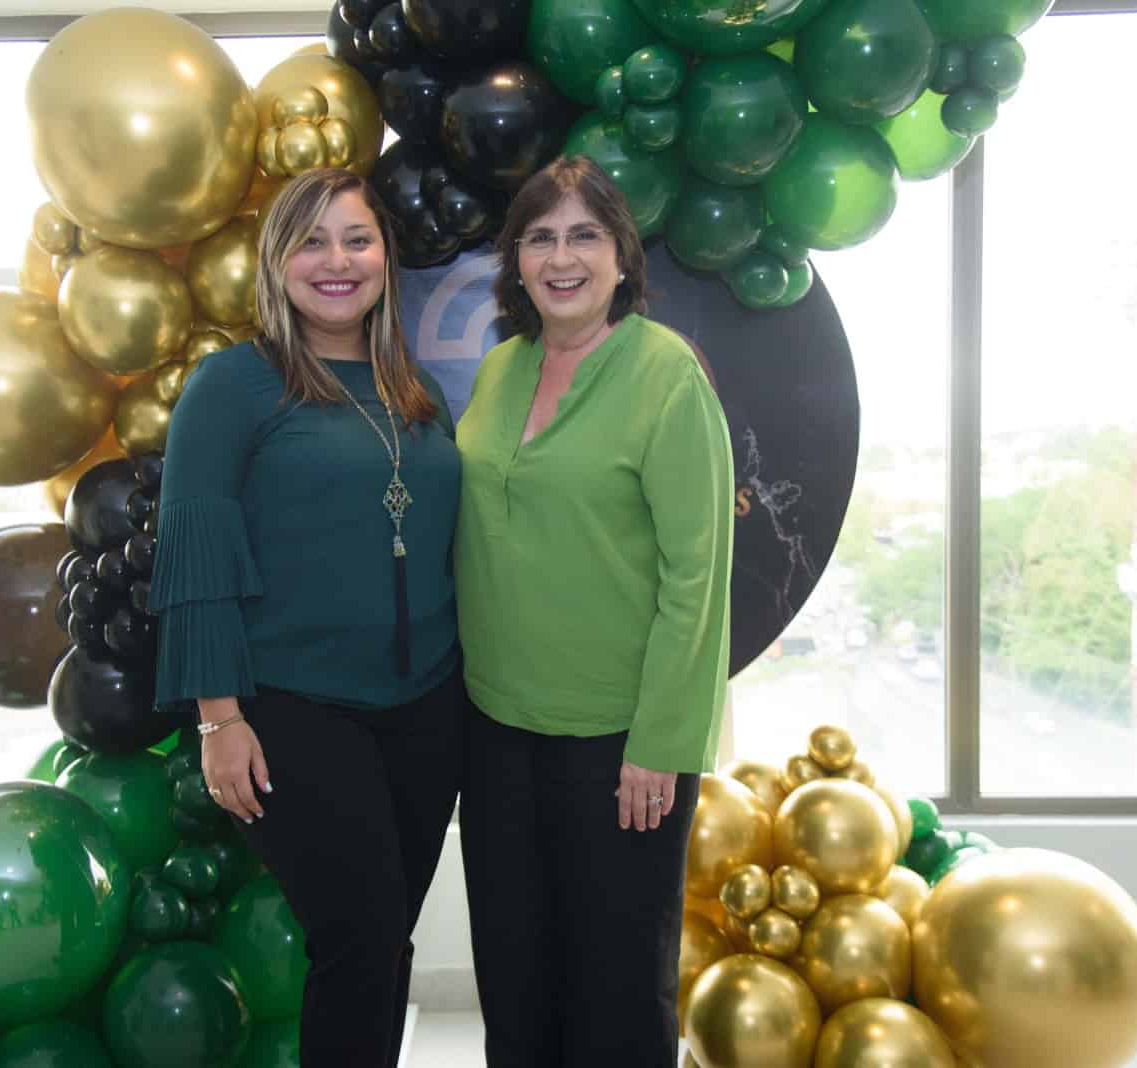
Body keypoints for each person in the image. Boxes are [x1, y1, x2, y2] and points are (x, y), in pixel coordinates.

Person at [148, 168, 465, 1068]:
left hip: (426, 708)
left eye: (357, 239)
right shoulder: (233, 385)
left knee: (382, 945)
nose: (337, 261)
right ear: (275, 262)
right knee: (360, 938)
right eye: (311, 241)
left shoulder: (420, 394)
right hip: (290, 708)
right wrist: (218, 717)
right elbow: (196, 549)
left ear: (385, 257)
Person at [454, 155, 735, 1066]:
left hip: (622, 747)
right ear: (517, 261)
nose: (562, 257)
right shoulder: (500, 369)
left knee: (618, 991)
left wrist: (660, 741)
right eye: (541, 237)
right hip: (496, 732)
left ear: (622, 258)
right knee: (515, 977)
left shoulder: (666, 377)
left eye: (585, 235)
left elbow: (699, 576)